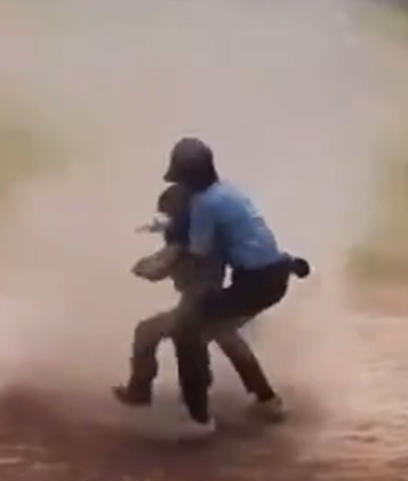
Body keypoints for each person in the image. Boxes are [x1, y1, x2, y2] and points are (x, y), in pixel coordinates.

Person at [161, 138, 309, 438]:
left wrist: (170, 240)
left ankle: (197, 417)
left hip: (256, 283)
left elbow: (199, 252)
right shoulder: (229, 191)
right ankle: (267, 399)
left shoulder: (203, 203)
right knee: (223, 330)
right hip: (276, 274)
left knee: (187, 330)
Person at [112, 183, 282, 426]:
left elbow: (157, 268)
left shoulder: (188, 243)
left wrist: (142, 266)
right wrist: (160, 229)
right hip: (212, 299)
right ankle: (267, 399)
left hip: (198, 302)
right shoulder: (206, 231)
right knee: (227, 338)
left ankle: (149, 397)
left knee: (149, 332)